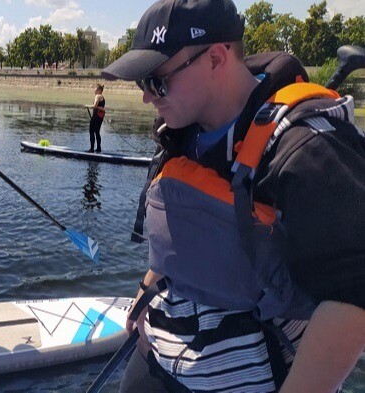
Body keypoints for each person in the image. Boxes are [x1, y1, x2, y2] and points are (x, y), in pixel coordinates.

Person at [101, 0, 365, 391]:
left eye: (157, 81)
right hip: (161, 350)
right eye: (143, 83)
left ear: (215, 58)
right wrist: (146, 290)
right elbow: (188, 229)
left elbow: (353, 298)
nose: (147, 97)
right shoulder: (180, 129)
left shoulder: (307, 147)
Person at [86, 84, 106, 152]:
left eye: (95, 89)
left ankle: (91, 149)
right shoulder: (102, 97)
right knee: (97, 132)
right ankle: (98, 148)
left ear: (99, 90)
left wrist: (87, 106)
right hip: (100, 116)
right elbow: (101, 107)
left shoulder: (97, 96)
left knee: (91, 131)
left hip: (96, 116)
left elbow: (95, 106)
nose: (94, 90)